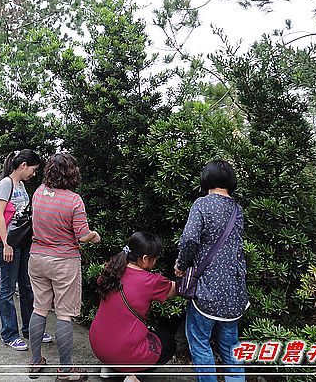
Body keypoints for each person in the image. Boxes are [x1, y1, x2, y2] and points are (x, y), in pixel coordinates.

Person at [27, 153, 101, 381]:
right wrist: (95, 236)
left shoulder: (39, 192)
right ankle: (66, 371)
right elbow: (82, 235)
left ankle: (35, 361)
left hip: (37, 258)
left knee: (39, 308)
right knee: (64, 314)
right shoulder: (73, 200)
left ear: (49, 171)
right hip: (64, 262)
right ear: (71, 173)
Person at [174, 160, 248, 382]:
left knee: (199, 341)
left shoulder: (202, 204)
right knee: (231, 346)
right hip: (234, 293)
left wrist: (181, 264)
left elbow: (189, 239)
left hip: (206, 290)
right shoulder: (237, 209)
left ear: (206, 179)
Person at [89, 232, 177, 382]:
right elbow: (174, 290)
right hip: (122, 352)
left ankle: (110, 367)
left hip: (98, 344)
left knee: (131, 330)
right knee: (169, 344)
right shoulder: (149, 281)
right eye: (154, 258)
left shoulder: (111, 269)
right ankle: (131, 375)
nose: (155, 261)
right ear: (144, 259)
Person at [0, 149, 52, 351]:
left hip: (23, 243)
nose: (33, 174)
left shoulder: (21, 186)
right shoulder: (6, 184)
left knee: (27, 287)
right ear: (23, 165)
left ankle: (29, 329)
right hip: (9, 243)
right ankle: (9, 334)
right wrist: (6, 244)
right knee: (8, 289)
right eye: (33, 170)